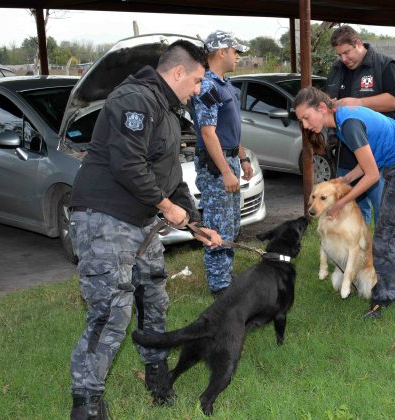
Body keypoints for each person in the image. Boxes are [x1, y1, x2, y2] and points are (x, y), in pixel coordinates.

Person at [68, 40, 222, 419]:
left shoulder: (169, 111)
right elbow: (128, 164)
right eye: (198, 80)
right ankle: (86, 402)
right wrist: (167, 207)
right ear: (178, 72)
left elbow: (170, 178)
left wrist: (195, 223)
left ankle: (156, 375)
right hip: (105, 218)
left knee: (153, 298)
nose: (200, 89)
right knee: (110, 312)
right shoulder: (135, 100)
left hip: (141, 223)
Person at [293, 86, 395, 319]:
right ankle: (391, 279)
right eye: (301, 121)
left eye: (306, 117)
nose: (305, 125)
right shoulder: (342, 120)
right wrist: (346, 179)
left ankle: (383, 298)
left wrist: (339, 203)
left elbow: (372, 175)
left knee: (387, 232)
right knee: (392, 228)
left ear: (322, 108)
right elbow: (371, 157)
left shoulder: (348, 124)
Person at [325, 25, 395, 262]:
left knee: (386, 213)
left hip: (381, 156)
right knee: (353, 213)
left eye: (347, 53)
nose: (343, 59)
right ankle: (358, 261)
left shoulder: (385, 65)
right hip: (347, 154)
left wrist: (357, 102)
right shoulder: (337, 70)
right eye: (339, 55)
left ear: (358, 43)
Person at [191, 30, 253, 295]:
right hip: (215, 167)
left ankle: (225, 277)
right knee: (218, 225)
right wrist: (226, 171)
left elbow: (230, 129)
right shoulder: (207, 85)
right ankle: (219, 287)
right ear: (221, 52)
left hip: (229, 159)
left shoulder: (225, 85)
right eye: (235, 51)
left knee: (232, 224)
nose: (237, 56)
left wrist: (243, 158)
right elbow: (208, 132)